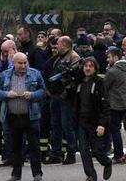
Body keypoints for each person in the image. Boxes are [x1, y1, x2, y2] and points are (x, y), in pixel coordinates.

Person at [0, 53, 45, 181]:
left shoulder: (35, 73)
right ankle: (16, 174)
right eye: (20, 63)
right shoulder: (5, 75)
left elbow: (43, 91)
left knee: (34, 146)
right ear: (14, 63)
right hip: (13, 116)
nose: (23, 66)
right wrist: (6, 94)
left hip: (31, 116)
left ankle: (37, 174)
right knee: (16, 147)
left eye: (24, 63)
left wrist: (32, 95)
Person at [75, 57, 112, 181]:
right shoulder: (79, 83)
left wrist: (102, 124)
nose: (88, 68)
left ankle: (107, 163)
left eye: (91, 66)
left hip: (95, 122)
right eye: (86, 66)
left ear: (95, 68)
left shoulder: (99, 82)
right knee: (84, 150)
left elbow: (105, 105)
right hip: (81, 121)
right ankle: (91, 175)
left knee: (97, 151)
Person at [47, 36, 80, 165]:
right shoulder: (60, 57)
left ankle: (71, 153)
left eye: (59, 44)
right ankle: (56, 153)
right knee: (55, 126)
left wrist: (65, 92)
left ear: (66, 45)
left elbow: (75, 79)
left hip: (66, 98)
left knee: (67, 126)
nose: (56, 47)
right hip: (56, 96)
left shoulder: (74, 57)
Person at [103, 47, 126, 164]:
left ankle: (118, 155)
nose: (107, 60)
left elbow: (105, 86)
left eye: (109, 57)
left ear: (115, 57)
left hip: (114, 104)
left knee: (114, 130)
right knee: (117, 129)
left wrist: (108, 71)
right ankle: (120, 154)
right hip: (124, 103)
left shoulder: (113, 71)